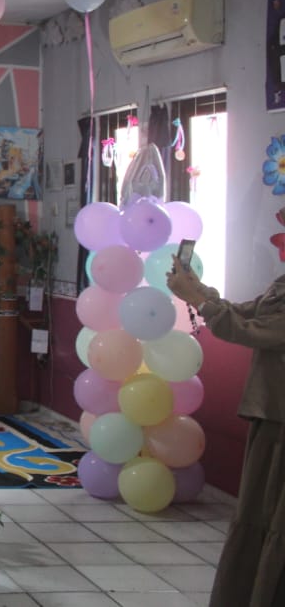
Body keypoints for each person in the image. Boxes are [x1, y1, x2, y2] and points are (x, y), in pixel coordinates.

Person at [169, 256, 285, 606]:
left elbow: (252, 331)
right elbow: (245, 313)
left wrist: (198, 300)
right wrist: (198, 290)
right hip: (271, 415)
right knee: (256, 513)